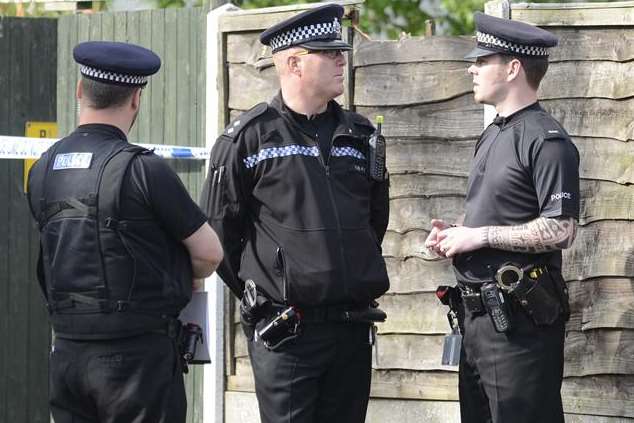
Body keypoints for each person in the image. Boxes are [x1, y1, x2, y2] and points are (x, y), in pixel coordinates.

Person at [201, 4, 390, 422]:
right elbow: (219, 235)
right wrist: (263, 295)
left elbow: (375, 222)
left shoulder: (361, 137)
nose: (342, 58)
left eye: (341, 50)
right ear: (293, 62)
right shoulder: (247, 140)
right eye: (329, 52)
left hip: (351, 328)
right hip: (287, 334)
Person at [27, 41, 223, 423]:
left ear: (80, 91)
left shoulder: (42, 170)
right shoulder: (143, 170)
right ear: (136, 99)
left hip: (67, 354)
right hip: (136, 364)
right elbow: (209, 253)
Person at [425, 12, 580, 423]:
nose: (471, 68)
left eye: (482, 61)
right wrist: (454, 233)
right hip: (475, 321)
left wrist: (480, 236)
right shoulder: (493, 133)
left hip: (520, 327)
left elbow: (562, 229)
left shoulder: (548, 141)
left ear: (513, 68)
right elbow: (493, 209)